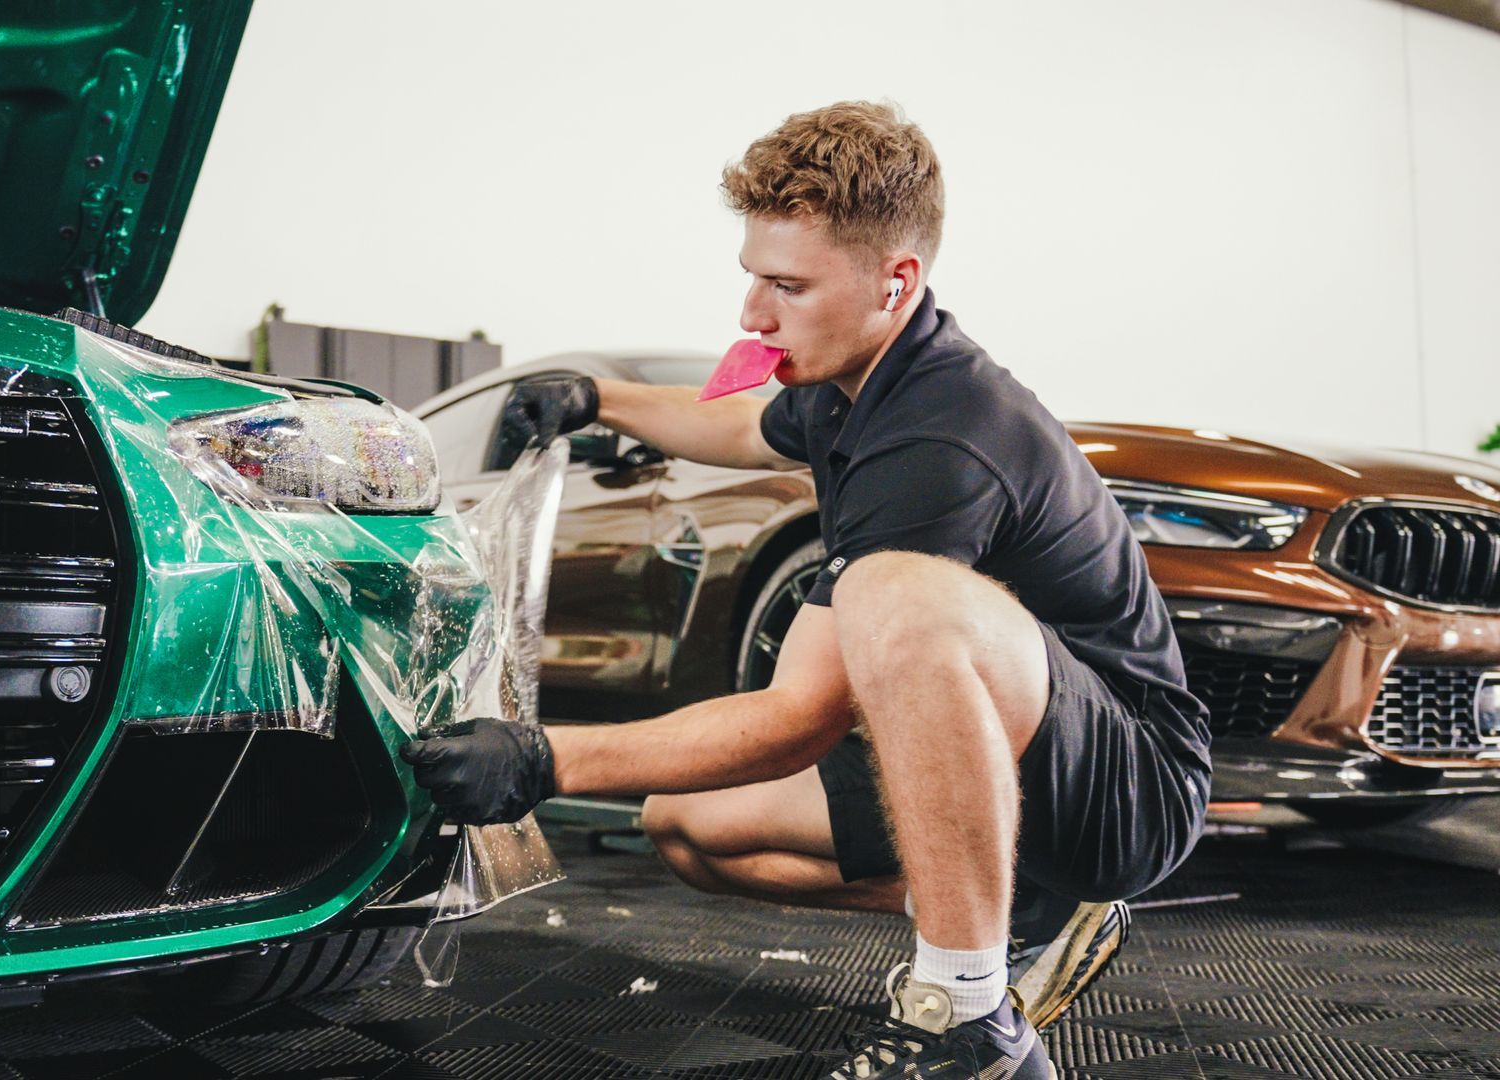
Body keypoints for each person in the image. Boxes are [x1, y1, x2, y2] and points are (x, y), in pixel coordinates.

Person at [401, 101, 1210, 1080]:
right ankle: (1028, 910)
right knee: (685, 825)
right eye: (752, 276)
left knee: (892, 596)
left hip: (1127, 781)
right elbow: (740, 427)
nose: (752, 314)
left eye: (787, 285)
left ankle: (967, 1014)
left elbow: (799, 718)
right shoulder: (844, 381)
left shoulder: (941, 434)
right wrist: (593, 397)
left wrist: (542, 760)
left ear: (894, 281)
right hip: (1019, 773)